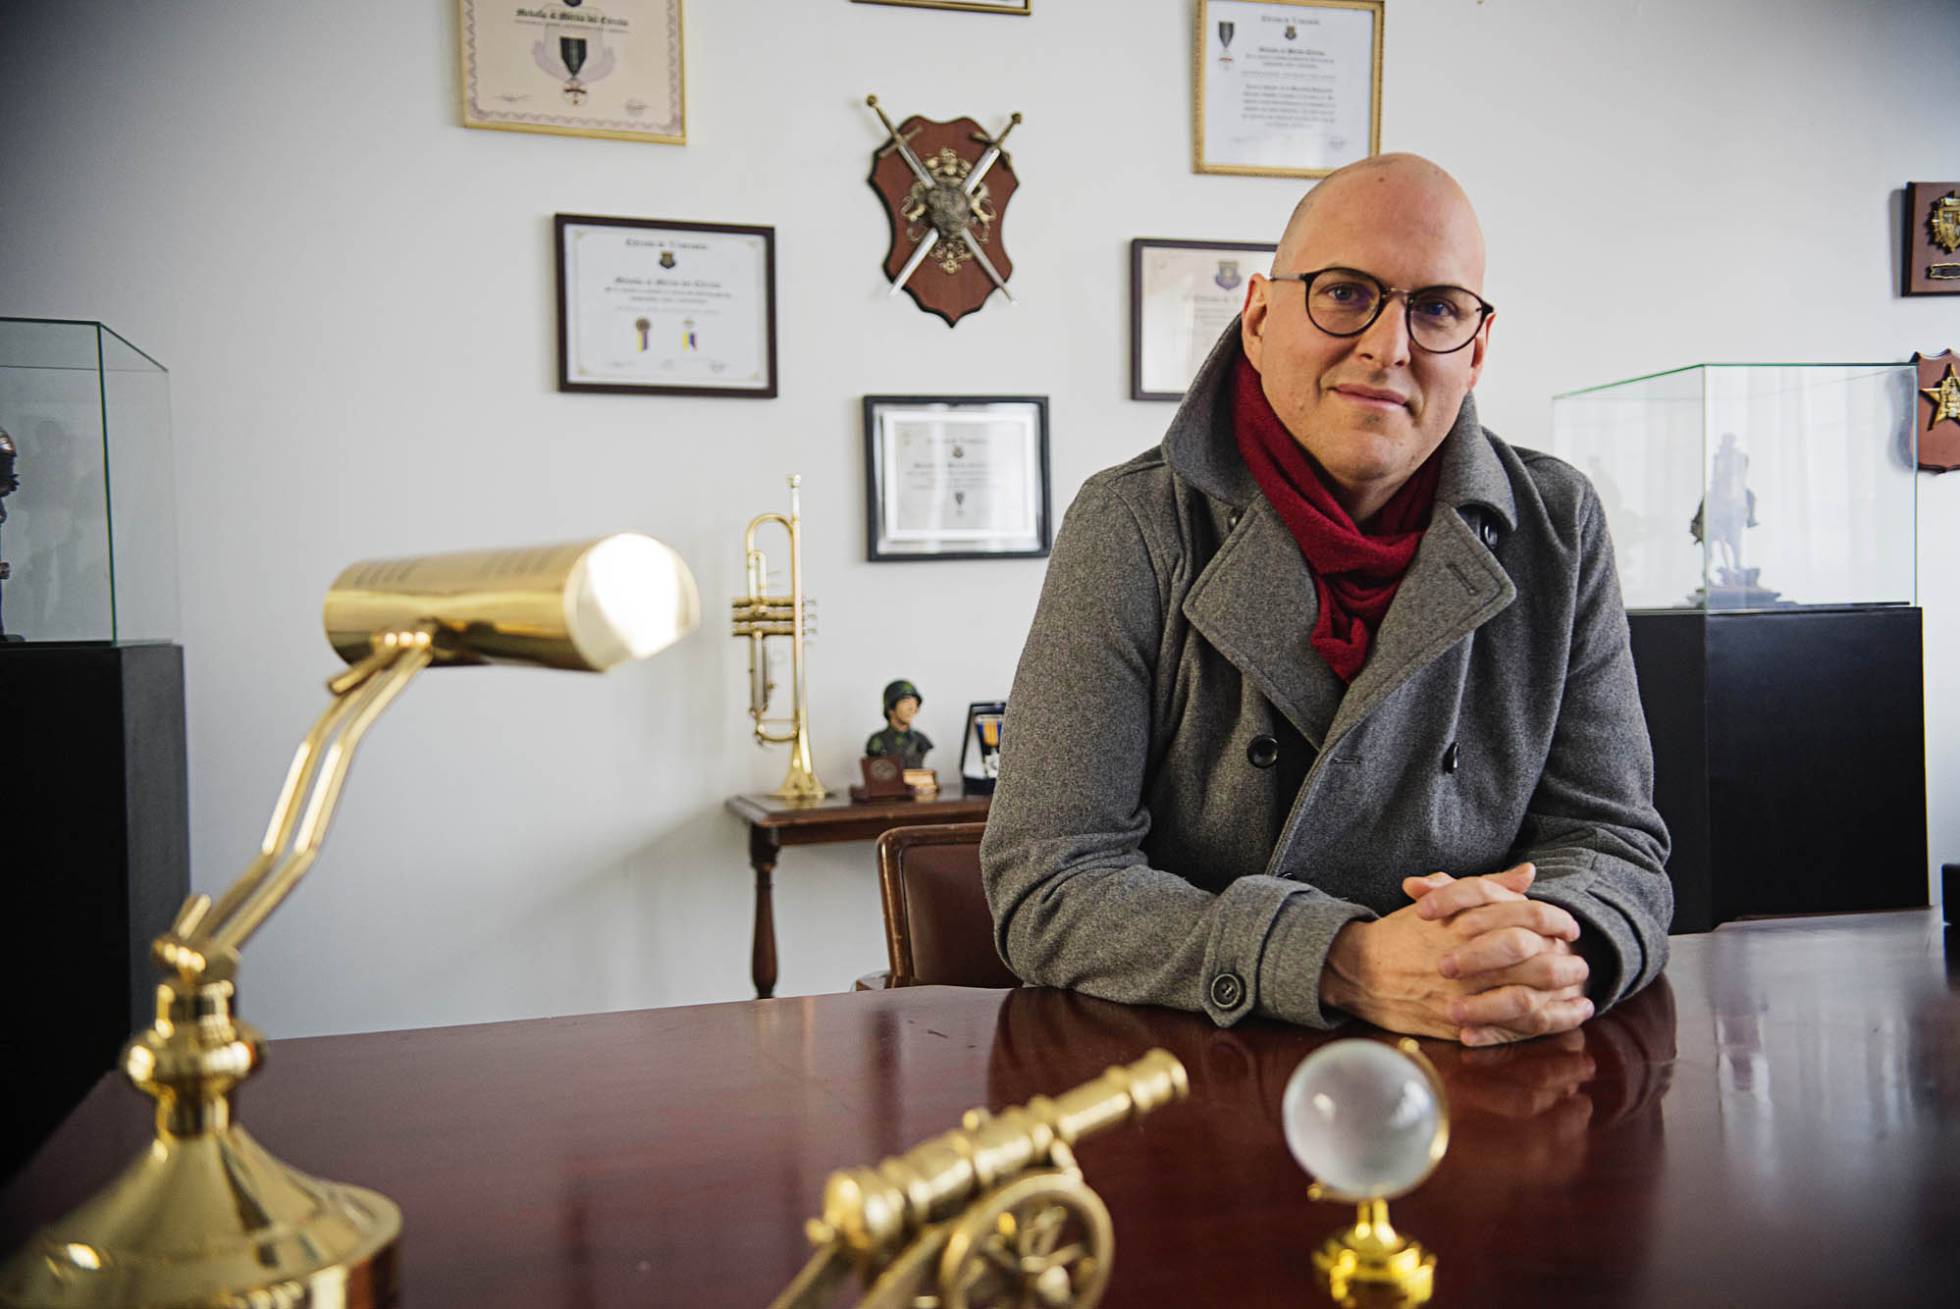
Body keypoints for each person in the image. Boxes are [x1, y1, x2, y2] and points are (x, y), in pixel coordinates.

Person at [980, 154, 1672, 1047]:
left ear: (1477, 349)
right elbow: (1050, 882)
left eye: (1437, 309)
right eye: (1345, 293)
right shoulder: (1132, 524)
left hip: (1483, 1062)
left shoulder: (1558, 524)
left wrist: (1553, 947)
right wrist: (1343, 959)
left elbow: (1613, 843)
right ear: (1259, 319)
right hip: (1208, 1070)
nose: (1389, 347)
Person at [865, 678, 933, 770]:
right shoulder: (877, 741)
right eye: (906, 702)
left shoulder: (921, 740)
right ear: (891, 709)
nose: (912, 708)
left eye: (915, 703)